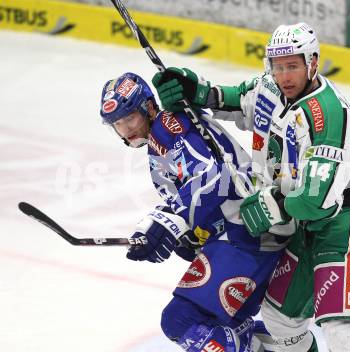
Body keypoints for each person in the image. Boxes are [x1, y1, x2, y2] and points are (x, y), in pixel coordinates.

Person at [152, 22, 350, 352]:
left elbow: (315, 201)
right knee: (280, 319)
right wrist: (193, 91)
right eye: (278, 66)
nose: (285, 76)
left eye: (293, 66)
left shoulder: (330, 115)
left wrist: (271, 203)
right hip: (302, 227)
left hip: (344, 221)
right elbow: (232, 99)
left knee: (343, 331)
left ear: (312, 62)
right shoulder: (269, 89)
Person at [99, 72, 292, 352]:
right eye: (118, 124)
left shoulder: (168, 127)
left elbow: (214, 177)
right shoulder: (163, 134)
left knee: (180, 320)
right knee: (224, 324)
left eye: (130, 118)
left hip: (246, 232)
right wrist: (192, 234)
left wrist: (170, 218)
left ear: (149, 108)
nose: (126, 129)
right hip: (242, 232)